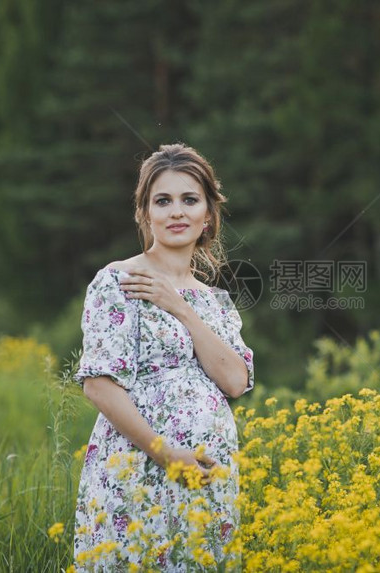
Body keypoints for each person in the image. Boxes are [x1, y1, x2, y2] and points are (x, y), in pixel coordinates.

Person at [71, 143, 255, 571]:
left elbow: (234, 381)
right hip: (138, 470)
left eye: (190, 200)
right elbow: (99, 385)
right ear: (145, 213)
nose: (177, 212)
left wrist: (180, 308)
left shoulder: (216, 302)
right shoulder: (118, 281)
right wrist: (165, 453)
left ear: (208, 214)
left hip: (207, 477)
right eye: (163, 200)